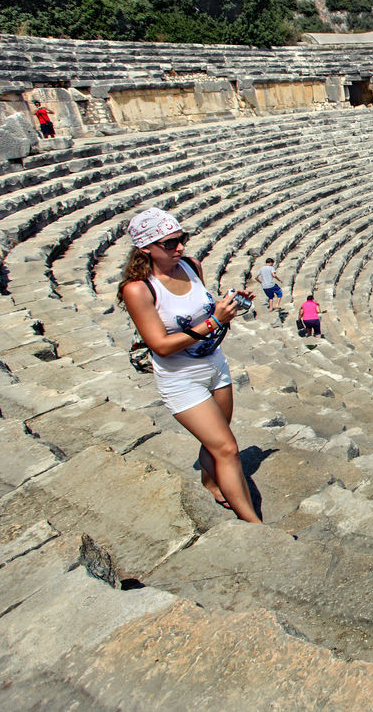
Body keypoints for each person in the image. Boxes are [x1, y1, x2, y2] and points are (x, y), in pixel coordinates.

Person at [118, 207, 261, 523]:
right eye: (169, 243)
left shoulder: (192, 266)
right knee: (227, 448)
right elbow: (161, 346)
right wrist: (213, 322)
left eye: (181, 239)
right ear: (145, 248)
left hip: (214, 365)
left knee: (216, 438)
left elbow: (203, 312)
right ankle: (255, 525)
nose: (179, 247)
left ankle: (210, 480)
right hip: (180, 377)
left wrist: (229, 306)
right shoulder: (138, 289)